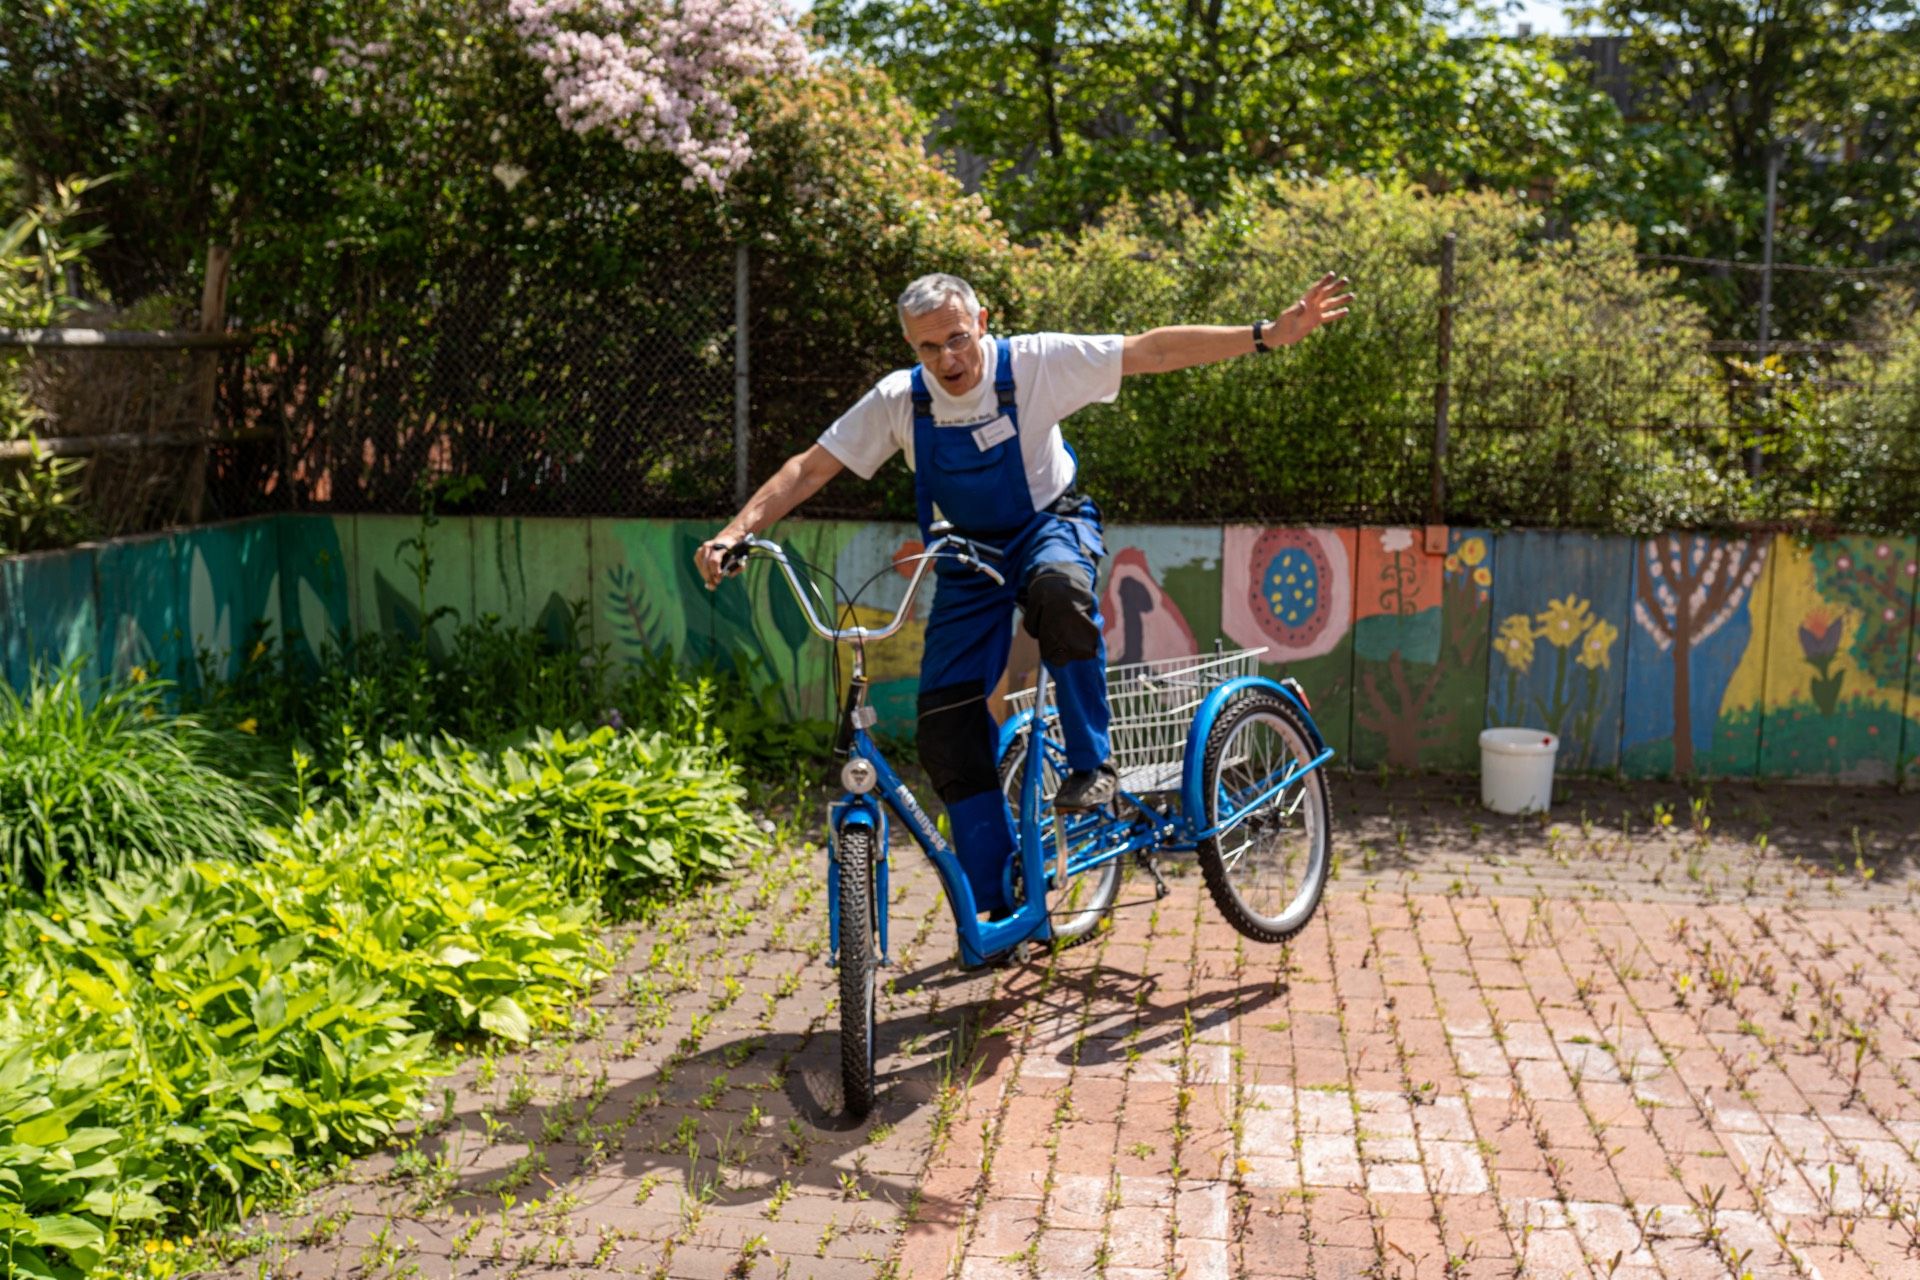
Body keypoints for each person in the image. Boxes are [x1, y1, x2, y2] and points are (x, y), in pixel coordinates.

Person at [697, 271, 1353, 917]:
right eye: (927, 347)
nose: (947, 359)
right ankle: (999, 900)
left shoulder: (1036, 363)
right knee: (945, 730)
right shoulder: (901, 400)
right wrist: (735, 532)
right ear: (910, 347)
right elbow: (810, 468)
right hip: (966, 555)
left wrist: (1267, 334)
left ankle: (1093, 765)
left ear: (982, 322)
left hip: (1050, 525)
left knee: (1059, 593)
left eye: (957, 338)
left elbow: (1150, 349)